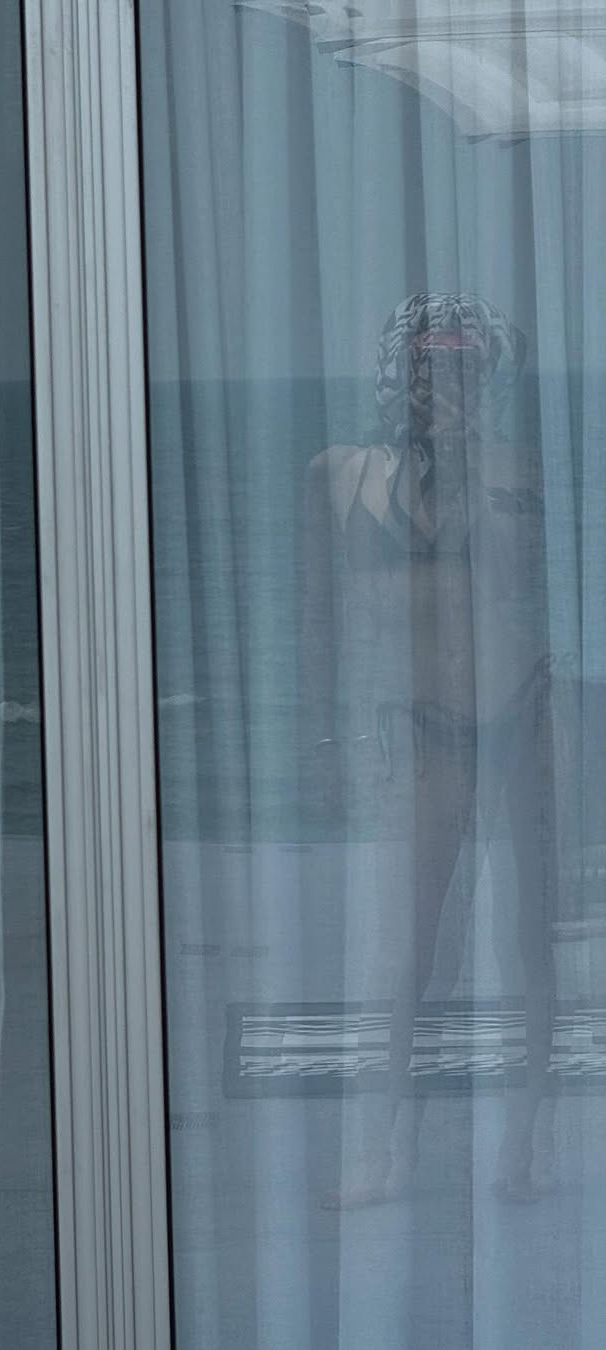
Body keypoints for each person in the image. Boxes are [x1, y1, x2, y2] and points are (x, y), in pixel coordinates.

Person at [303, 293, 560, 1205]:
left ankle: (524, 1142)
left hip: (521, 716)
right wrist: (323, 739)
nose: (435, 382)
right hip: (424, 726)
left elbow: (521, 583)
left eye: (457, 367)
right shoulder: (338, 474)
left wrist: (468, 468)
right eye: (422, 363)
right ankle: (380, 1143)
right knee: (409, 948)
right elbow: (319, 622)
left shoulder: (512, 468)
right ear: (394, 368)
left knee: (527, 937)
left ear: (480, 377)